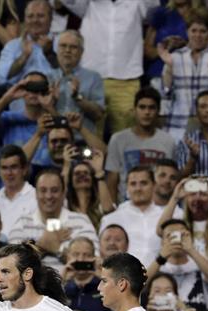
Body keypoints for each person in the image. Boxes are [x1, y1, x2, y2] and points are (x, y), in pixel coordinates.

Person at [62, 0, 158, 134]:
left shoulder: (136, 3)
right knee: (89, 135)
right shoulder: (87, 4)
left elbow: (154, 6)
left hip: (126, 80)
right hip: (91, 80)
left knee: (126, 137)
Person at [160, 8, 208, 141]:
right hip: (177, 128)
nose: (197, 35)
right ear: (187, 31)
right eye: (194, 31)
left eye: (202, 31)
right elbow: (165, 93)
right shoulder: (174, 57)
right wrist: (169, 68)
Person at [8, 169, 98, 269]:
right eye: (43, 190)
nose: (49, 196)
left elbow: (93, 265)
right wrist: (40, 246)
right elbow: (12, 267)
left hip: (70, 284)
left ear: (64, 193)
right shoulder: (21, 224)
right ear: (35, 194)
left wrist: (58, 250)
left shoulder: (81, 222)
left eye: (54, 190)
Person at [105, 87, 176, 203]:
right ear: (134, 110)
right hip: (126, 204)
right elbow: (113, 178)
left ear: (158, 111)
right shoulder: (118, 139)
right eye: (142, 107)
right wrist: (113, 210)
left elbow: (171, 177)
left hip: (158, 205)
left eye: (151, 108)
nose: (147, 112)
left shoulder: (168, 141)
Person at [99, 166, 164, 269]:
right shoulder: (111, 218)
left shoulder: (165, 216)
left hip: (161, 279)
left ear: (154, 185)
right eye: (133, 184)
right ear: (127, 188)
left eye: (143, 183)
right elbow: (102, 254)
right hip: (123, 279)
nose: (138, 188)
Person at [48, 30, 104, 134]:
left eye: (73, 47)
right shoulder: (47, 77)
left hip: (82, 141)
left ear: (81, 52)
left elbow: (98, 115)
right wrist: (51, 102)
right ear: (56, 49)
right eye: (63, 46)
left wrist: (78, 97)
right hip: (53, 140)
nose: (67, 50)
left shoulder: (93, 78)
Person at [0, 0, 55, 87]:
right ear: (25, 20)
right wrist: (23, 57)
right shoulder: (13, 46)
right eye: (30, 16)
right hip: (20, 97)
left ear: (51, 19)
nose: (35, 20)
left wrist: (49, 54)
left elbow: (69, 75)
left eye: (40, 16)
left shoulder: (63, 43)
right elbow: (0, 78)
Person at [0, 145, 35, 238]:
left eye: (14, 167)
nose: (9, 173)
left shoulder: (38, 198)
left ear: (24, 169)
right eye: (4, 168)